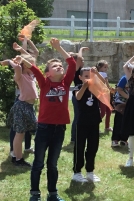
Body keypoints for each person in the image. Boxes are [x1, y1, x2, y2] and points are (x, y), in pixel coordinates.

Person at [17, 38, 76, 201]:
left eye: (60, 66)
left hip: (59, 129)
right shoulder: (44, 83)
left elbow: (71, 63)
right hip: (43, 128)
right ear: (48, 73)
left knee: (53, 164)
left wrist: (58, 48)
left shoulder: (65, 83)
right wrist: (21, 59)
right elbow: (34, 68)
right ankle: (34, 194)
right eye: (55, 66)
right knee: (38, 163)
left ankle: (52, 194)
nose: (59, 66)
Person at [2, 55, 38, 167]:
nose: (32, 66)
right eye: (29, 64)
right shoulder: (20, 76)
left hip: (29, 107)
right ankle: (17, 158)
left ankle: (16, 155)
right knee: (19, 133)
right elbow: (17, 68)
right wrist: (9, 61)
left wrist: (23, 56)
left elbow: (34, 64)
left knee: (25, 132)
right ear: (24, 66)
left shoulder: (30, 75)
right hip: (21, 106)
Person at [72, 67, 106, 183]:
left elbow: (105, 84)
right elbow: (78, 97)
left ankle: (90, 171)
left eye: (90, 76)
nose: (89, 79)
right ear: (80, 77)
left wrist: (97, 74)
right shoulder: (78, 87)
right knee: (80, 147)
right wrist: (85, 86)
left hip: (94, 122)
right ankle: (77, 172)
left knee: (93, 147)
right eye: (86, 76)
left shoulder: (96, 88)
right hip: (81, 123)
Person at [70, 47, 88, 143]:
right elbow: (79, 58)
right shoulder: (75, 69)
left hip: (84, 94)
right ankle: (73, 138)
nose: (83, 61)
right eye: (81, 60)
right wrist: (81, 49)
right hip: (77, 93)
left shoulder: (81, 70)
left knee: (82, 116)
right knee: (77, 117)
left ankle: (81, 135)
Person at [111, 74, 130, 147]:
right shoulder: (125, 78)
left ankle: (124, 139)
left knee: (127, 122)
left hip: (129, 103)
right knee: (119, 121)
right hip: (121, 103)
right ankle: (115, 140)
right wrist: (129, 97)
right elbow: (119, 89)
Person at [96, 60, 113, 132]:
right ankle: (96, 125)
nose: (106, 69)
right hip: (104, 94)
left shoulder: (96, 74)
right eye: (105, 67)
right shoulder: (103, 74)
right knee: (104, 111)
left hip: (100, 93)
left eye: (107, 67)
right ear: (100, 67)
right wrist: (110, 89)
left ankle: (107, 126)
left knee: (108, 111)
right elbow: (106, 83)